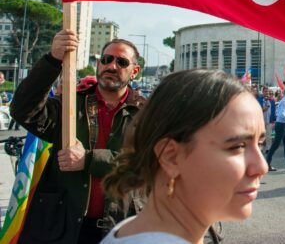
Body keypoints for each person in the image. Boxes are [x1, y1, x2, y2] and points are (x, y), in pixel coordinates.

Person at [100, 69, 268, 243]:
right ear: (171, 157)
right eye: (238, 146)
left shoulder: (134, 229)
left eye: (260, 144)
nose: (262, 167)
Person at [9, 31, 146, 243]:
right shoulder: (71, 104)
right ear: (99, 64)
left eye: (122, 62)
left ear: (134, 71)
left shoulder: (147, 114)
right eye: (107, 60)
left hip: (122, 230)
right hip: (62, 227)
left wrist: (88, 160)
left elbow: (148, 164)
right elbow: (23, 110)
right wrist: (52, 60)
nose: (112, 66)